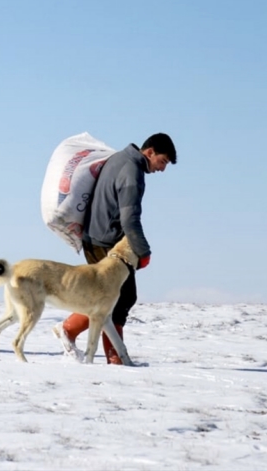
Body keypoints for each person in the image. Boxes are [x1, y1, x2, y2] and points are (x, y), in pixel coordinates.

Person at [54, 132, 177, 364]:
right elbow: (130, 218)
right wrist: (143, 251)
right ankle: (110, 357)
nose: (162, 169)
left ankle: (75, 334)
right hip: (107, 242)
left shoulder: (119, 159)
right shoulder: (133, 172)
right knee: (121, 299)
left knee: (109, 299)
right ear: (149, 152)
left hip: (94, 237)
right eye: (162, 162)